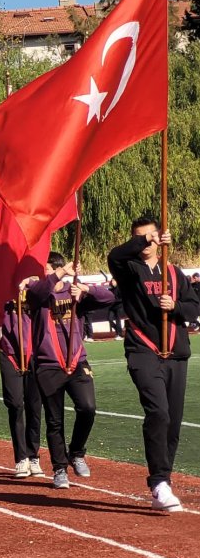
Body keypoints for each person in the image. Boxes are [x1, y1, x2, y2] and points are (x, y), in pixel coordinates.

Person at [107, 218, 198, 511]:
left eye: (151, 236)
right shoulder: (128, 269)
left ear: (161, 239)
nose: (146, 242)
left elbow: (194, 306)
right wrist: (144, 241)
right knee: (157, 412)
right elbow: (114, 255)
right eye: (140, 237)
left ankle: (165, 479)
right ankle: (158, 481)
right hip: (143, 351)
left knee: (171, 421)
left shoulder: (173, 271)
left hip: (176, 353)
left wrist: (176, 307)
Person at [23, 253, 113, 489]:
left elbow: (108, 298)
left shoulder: (74, 291)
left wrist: (85, 289)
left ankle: (77, 452)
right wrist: (61, 273)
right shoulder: (38, 290)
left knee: (88, 408)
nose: (46, 273)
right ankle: (59, 469)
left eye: (48, 269)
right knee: (54, 421)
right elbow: (38, 292)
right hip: (49, 364)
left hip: (76, 361)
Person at [0, 298, 43, 478]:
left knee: (35, 407)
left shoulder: (37, 290)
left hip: (36, 354)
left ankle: (33, 456)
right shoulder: (4, 290)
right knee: (15, 404)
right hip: (10, 353)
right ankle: (21, 458)